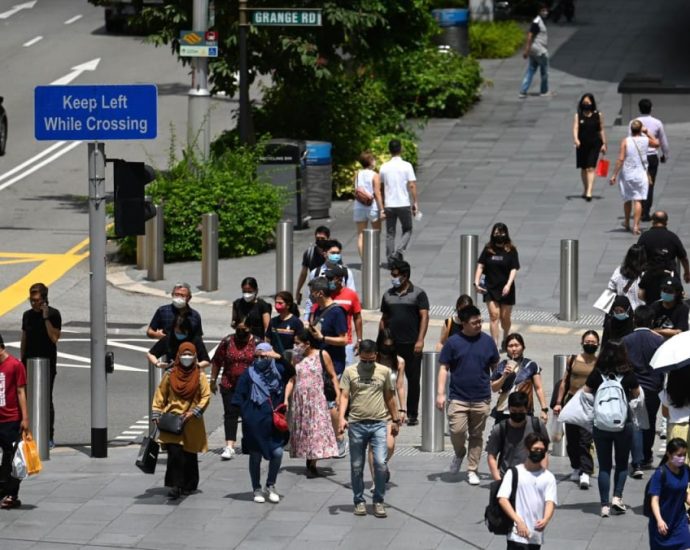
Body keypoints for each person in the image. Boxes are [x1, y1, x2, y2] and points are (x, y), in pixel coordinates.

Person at [338, 339, 402, 518]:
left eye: (371, 361)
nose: (367, 364)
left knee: (380, 463)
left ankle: (378, 500)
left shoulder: (384, 372)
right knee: (357, 465)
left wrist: (396, 419)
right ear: (359, 356)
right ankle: (358, 500)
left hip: (379, 423)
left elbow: (390, 397)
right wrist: (341, 418)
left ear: (376, 356)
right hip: (357, 424)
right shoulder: (350, 371)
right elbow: (344, 396)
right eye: (364, 361)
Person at [437, 305, 500, 485]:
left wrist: (499, 381)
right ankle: (459, 453)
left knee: (476, 435)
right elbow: (443, 368)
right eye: (475, 323)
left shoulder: (488, 342)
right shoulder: (453, 343)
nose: (479, 325)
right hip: (458, 397)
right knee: (456, 430)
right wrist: (440, 393)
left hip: (481, 397)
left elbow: (495, 366)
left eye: (480, 321)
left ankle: (472, 469)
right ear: (463, 323)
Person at [582, 340, 640, 517]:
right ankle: (617, 497)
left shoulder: (597, 374)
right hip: (623, 424)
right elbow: (637, 395)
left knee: (605, 466)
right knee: (622, 464)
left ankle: (604, 505)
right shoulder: (628, 373)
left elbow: (585, 392)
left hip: (601, 426)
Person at [151, 342, 210, 500]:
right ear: (178, 355)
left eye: (190, 355)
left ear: (195, 356)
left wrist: (194, 412)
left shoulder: (200, 375)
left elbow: (206, 396)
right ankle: (175, 486)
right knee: (174, 454)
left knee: (189, 454)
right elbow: (160, 395)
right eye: (184, 354)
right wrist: (156, 414)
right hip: (172, 418)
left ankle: (189, 484)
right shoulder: (170, 374)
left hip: (191, 421)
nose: (186, 358)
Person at [231, 348, 288, 504]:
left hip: (273, 424)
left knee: (277, 453)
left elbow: (291, 370)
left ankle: (271, 484)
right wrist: (247, 414)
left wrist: (279, 357)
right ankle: (256, 487)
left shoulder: (278, 371)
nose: (259, 359)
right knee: (255, 457)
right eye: (256, 356)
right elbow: (238, 397)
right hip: (254, 425)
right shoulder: (248, 374)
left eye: (263, 356)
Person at [380, 260, 429, 426]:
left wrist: (420, 340)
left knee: (413, 380)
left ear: (405, 276)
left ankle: (412, 414)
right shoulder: (387, 295)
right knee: (388, 378)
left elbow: (424, 317)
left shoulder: (419, 294)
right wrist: (381, 341)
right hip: (391, 345)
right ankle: (388, 410)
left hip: (412, 344)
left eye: (395, 275)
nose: (392, 278)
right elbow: (384, 319)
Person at [284, 329, 339, 478]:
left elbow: (333, 376)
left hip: (317, 399)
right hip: (300, 400)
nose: (295, 346)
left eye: (297, 343)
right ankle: (309, 456)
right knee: (305, 430)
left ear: (307, 344)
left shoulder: (322, 355)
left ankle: (313, 462)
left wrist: (338, 396)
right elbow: (292, 379)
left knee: (317, 430)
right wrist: (285, 399)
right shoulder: (296, 357)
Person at [553, 330, 599, 490]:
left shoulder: (599, 362)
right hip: (572, 401)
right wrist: (559, 402)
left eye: (593, 342)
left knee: (585, 438)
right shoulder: (573, 359)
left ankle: (586, 470)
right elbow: (565, 381)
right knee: (571, 438)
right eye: (588, 341)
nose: (590, 344)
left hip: (589, 402)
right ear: (582, 342)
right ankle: (576, 466)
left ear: (598, 344)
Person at [307, 276, 348, 456]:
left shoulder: (337, 312)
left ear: (320, 293)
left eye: (312, 292)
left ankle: (340, 439)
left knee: (332, 403)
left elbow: (344, 339)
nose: (310, 296)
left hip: (334, 364)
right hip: (317, 363)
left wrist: (322, 338)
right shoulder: (317, 310)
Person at [622, 305, 664, 476]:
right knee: (650, 422)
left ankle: (636, 460)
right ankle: (646, 455)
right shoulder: (658, 340)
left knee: (634, 423)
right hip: (653, 388)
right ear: (652, 321)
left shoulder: (626, 340)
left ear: (634, 320)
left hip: (633, 388)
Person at [497, 432, 557, 550]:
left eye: (541, 450)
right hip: (516, 533)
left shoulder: (548, 477)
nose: (538, 452)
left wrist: (546, 519)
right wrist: (518, 521)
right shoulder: (514, 473)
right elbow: (502, 499)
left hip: (535, 534)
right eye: (535, 449)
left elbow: (550, 501)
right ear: (527, 449)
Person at [20, 282, 60, 448]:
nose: (33, 303)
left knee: (46, 399)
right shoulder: (27, 315)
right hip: (28, 362)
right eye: (31, 300)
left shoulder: (53, 314)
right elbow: (24, 338)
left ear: (44, 299)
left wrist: (45, 318)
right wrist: (21, 359)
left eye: (36, 300)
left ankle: (48, 436)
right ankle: (27, 433)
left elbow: (55, 338)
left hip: (46, 363)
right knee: (26, 399)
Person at [210, 320, 256, 460]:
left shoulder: (257, 343)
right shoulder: (228, 341)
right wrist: (213, 380)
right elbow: (217, 361)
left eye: (245, 328)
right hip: (229, 384)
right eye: (239, 328)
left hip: (250, 386)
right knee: (230, 414)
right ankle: (229, 446)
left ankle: (249, 443)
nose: (242, 331)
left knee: (249, 415)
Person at [367, 328, 407, 482]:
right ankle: (375, 480)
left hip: (390, 409)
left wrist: (402, 409)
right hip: (372, 406)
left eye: (390, 346)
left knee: (389, 446)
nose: (386, 350)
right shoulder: (372, 360)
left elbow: (400, 386)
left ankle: (382, 464)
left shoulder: (399, 362)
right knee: (373, 446)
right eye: (384, 346)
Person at [609, 119, 660, 235]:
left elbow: (621, 159)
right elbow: (657, 144)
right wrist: (647, 132)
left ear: (631, 129)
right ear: (640, 129)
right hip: (641, 173)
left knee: (627, 198)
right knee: (638, 200)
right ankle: (636, 226)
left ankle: (627, 222)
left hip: (627, 173)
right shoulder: (646, 140)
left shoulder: (626, 141)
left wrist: (614, 175)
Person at [475, 222, 520, 349]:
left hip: (506, 288)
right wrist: (476, 282)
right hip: (491, 287)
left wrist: (508, 284)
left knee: (505, 318)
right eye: (496, 233)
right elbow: (480, 265)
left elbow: (514, 268)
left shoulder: (511, 250)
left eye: (501, 233)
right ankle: (494, 344)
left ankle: (506, 335)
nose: (498, 235)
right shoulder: (488, 249)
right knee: (494, 316)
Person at [486, 392, 550, 481]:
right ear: (509, 409)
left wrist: (542, 474)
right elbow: (491, 456)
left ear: (526, 409)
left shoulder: (537, 425)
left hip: (532, 476)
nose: (517, 414)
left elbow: (544, 452)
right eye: (514, 411)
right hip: (507, 477)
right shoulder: (500, 429)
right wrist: (498, 480)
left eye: (520, 411)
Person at [490, 333, 549, 423]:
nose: (514, 349)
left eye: (517, 345)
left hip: (524, 411)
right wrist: (504, 376)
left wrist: (544, 409)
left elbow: (539, 388)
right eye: (510, 346)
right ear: (506, 349)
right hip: (504, 411)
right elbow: (494, 388)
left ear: (523, 347)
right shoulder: (501, 366)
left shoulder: (531, 365)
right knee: (501, 436)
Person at [0, 333, 29, 509]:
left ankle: (11, 493)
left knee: (12, 458)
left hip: (11, 419)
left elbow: (20, 392)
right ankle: (3, 488)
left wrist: (25, 418)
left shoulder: (15, 365)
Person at [379, 139, 418, 267]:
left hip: (389, 204)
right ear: (400, 149)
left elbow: (382, 186)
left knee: (390, 233)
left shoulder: (384, 167)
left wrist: (383, 204)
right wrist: (415, 202)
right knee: (407, 229)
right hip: (403, 203)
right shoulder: (407, 166)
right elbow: (412, 185)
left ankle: (390, 259)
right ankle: (399, 251)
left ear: (389, 151)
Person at [631, 99, 670, 222]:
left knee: (639, 184)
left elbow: (630, 139)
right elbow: (663, 141)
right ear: (651, 108)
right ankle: (646, 211)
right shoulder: (657, 123)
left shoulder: (633, 122)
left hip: (638, 157)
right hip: (652, 156)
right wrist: (665, 154)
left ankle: (640, 208)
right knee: (650, 184)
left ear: (639, 108)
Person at [647, 438, 690, 550]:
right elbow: (654, 500)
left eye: (684, 455)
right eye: (679, 455)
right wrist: (659, 520)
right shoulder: (660, 474)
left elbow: (683, 493)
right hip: (662, 524)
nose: (682, 458)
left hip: (679, 522)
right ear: (668, 454)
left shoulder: (686, 470)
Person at [325, 264, 363, 367]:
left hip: (346, 343)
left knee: (345, 378)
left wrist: (359, 340)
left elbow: (357, 317)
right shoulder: (324, 294)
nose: (327, 280)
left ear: (339, 279)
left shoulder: (351, 295)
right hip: (325, 342)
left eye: (330, 278)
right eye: (326, 278)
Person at [572, 93, 607, 201]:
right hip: (582, 144)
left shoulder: (598, 115)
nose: (586, 105)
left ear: (592, 103)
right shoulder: (578, 115)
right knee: (583, 168)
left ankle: (589, 191)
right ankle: (585, 188)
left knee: (591, 167)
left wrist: (604, 143)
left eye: (588, 103)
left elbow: (601, 129)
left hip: (595, 144)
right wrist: (576, 139)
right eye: (584, 103)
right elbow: (575, 128)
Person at [146, 312, 210, 370]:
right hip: (171, 374)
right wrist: (158, 364)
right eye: (178, 331)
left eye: (183, 332)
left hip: (191, 375)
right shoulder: (169, 339)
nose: (180, 334)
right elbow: (151, 354)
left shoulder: (195, 339)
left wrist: (196, 366)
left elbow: (206, 361)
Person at [637, 211, 690, 281]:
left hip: (649, 276)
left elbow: (637, 255)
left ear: (653, 221)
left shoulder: (644, 237)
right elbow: (683, 258)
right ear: (666, 222)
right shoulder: (672, 237)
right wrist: (687, 273)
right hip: (669, 276)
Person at [353, 151, 384, 258]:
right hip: (372, 207)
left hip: (359, 206)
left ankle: (364, 261)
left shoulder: (357, 174)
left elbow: (356, 190)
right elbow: (377, 193)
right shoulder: (375, 175)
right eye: (374, 159)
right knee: (376, 234)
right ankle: (373, 260)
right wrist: (382, 209)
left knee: (361, 235)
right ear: (371, 162)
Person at [518, 3, 550, 98]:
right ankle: (544, 91)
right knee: (544, 71)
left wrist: (528, 50)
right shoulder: (537, 22)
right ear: (539, 11)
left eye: (546, 10)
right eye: (543, 10)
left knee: (531, 70)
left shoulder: (540, 21)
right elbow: (529, 36)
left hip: (534, 50)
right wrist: (526, 50)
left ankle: (523, 91)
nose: (545, 12)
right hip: (539, 50)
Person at [267, 291, 303, 371]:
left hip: (289, 363)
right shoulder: (273, 321)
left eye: (280, 303)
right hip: (274, 362)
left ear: (288, 305)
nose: (277, 305)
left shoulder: (296, 322)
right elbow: (268, 340)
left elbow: (299, 344)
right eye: (276, 302)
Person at [295, 226, 330, 305]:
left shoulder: (332, 253)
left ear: (328, 238)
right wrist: (298, 290)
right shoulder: (309, 253)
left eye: (322, 238)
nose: (320, 240)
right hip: (314, 291)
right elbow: (303, 273)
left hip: (329, 291)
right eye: (318, 238)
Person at [607, 243, 647, 311]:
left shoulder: (619, 271)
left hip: (623, 310)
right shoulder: (646, 274)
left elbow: (611, 288)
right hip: (640, 312)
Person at [231, 277, 272, 342]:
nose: (247, 294)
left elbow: (267, 327)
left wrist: (265, 343)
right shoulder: (237, 303)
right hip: (241, 339)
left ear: (256, 290)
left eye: (250, 291)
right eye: (244, 291)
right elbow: (234, 322)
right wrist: (238, 326)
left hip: (257, 340)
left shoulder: (263, 305)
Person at [660, 366, 690, 444]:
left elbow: (665, 413)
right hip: (688, 426)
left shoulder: (666, 394)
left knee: (677, 455)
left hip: (675, 428)